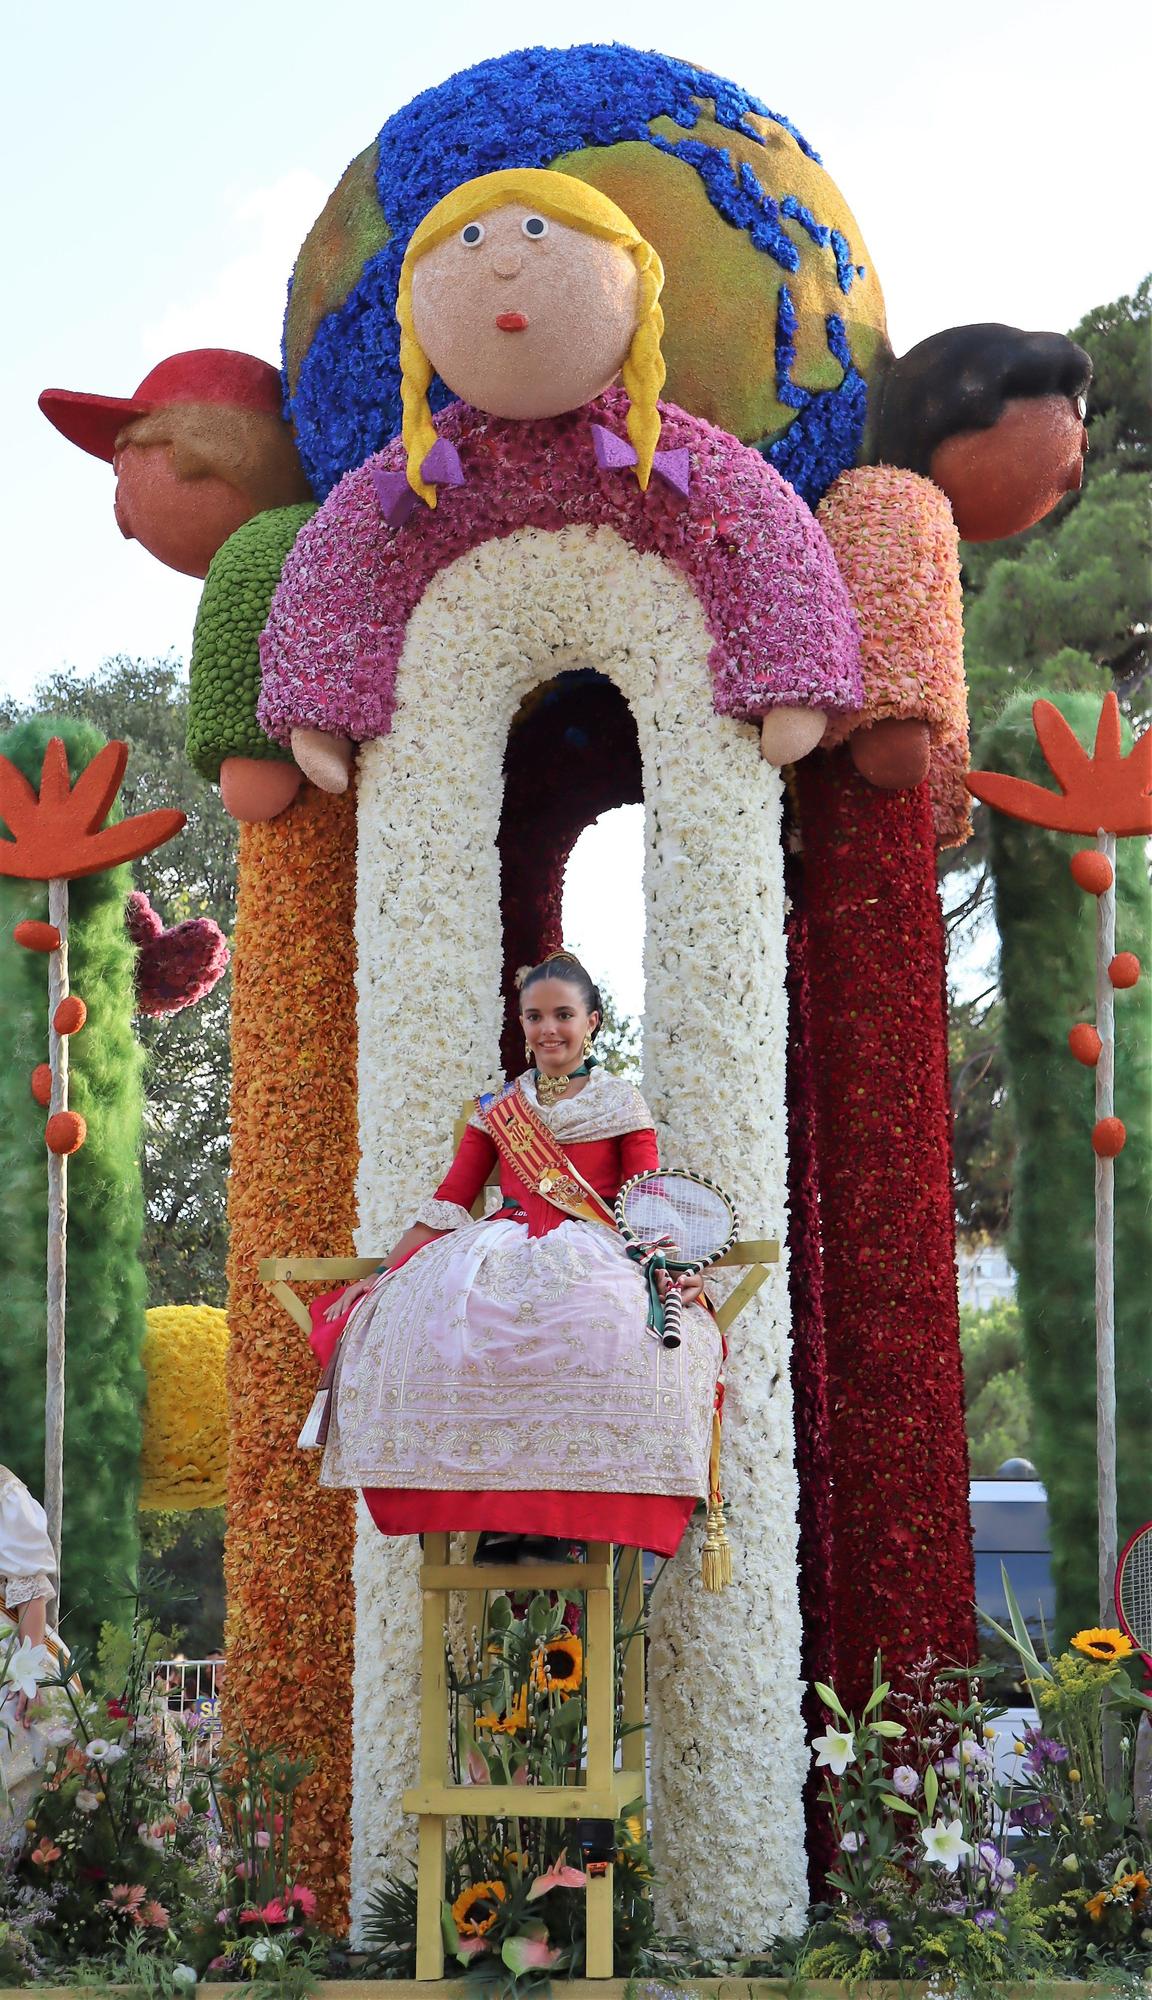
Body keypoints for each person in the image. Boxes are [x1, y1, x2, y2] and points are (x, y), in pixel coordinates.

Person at [312, 951, 723, 1564]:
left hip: (597, 1245)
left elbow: (647, 1204)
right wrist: (378, 1276)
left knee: (607, 1329)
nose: (548, 1029)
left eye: (563, 1014)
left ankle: (569, 1514)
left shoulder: (622, 1105)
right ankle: (495, 1514)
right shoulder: (497, 1109)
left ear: (593, 1021)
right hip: (499, 1243)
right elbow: (450, 1200)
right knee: (452, 1329)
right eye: (534, 1016)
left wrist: (682, 1274)